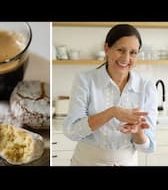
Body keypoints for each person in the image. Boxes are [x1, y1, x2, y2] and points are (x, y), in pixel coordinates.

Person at [63, 24, 158, 166]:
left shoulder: (147, 88)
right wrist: (112, 112)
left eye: (133, 53)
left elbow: (149, 146)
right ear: (107, 48)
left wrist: (137, 132)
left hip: (127, 162)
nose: (126, 58)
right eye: (120, 50)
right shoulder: (84, 80)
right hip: (88, 161)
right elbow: (72, 131)